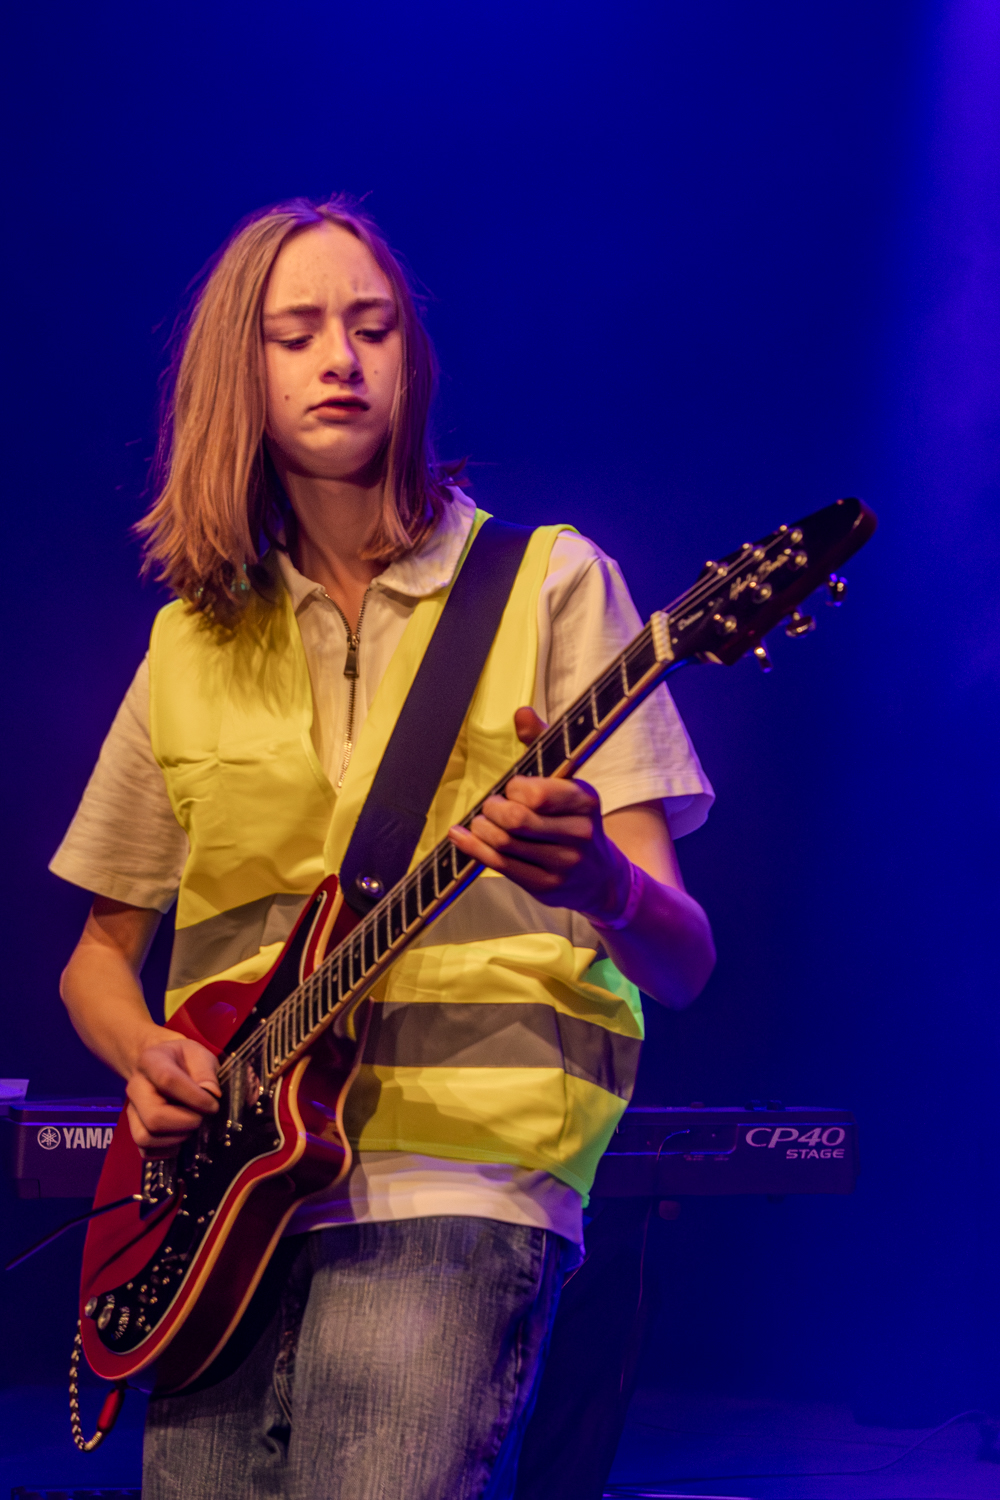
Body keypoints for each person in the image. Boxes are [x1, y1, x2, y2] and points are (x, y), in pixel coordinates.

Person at [52, 195, 716, 1500]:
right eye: (296, 332)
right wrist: (144, 1054)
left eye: (372, 327)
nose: (341, 360)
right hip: (212, 1205)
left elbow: (683, 960)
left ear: (412, 358)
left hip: (460, 1177)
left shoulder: (550, 586)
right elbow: (96, 956)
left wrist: (598, 880)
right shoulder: (190, 640)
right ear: (238, 373)